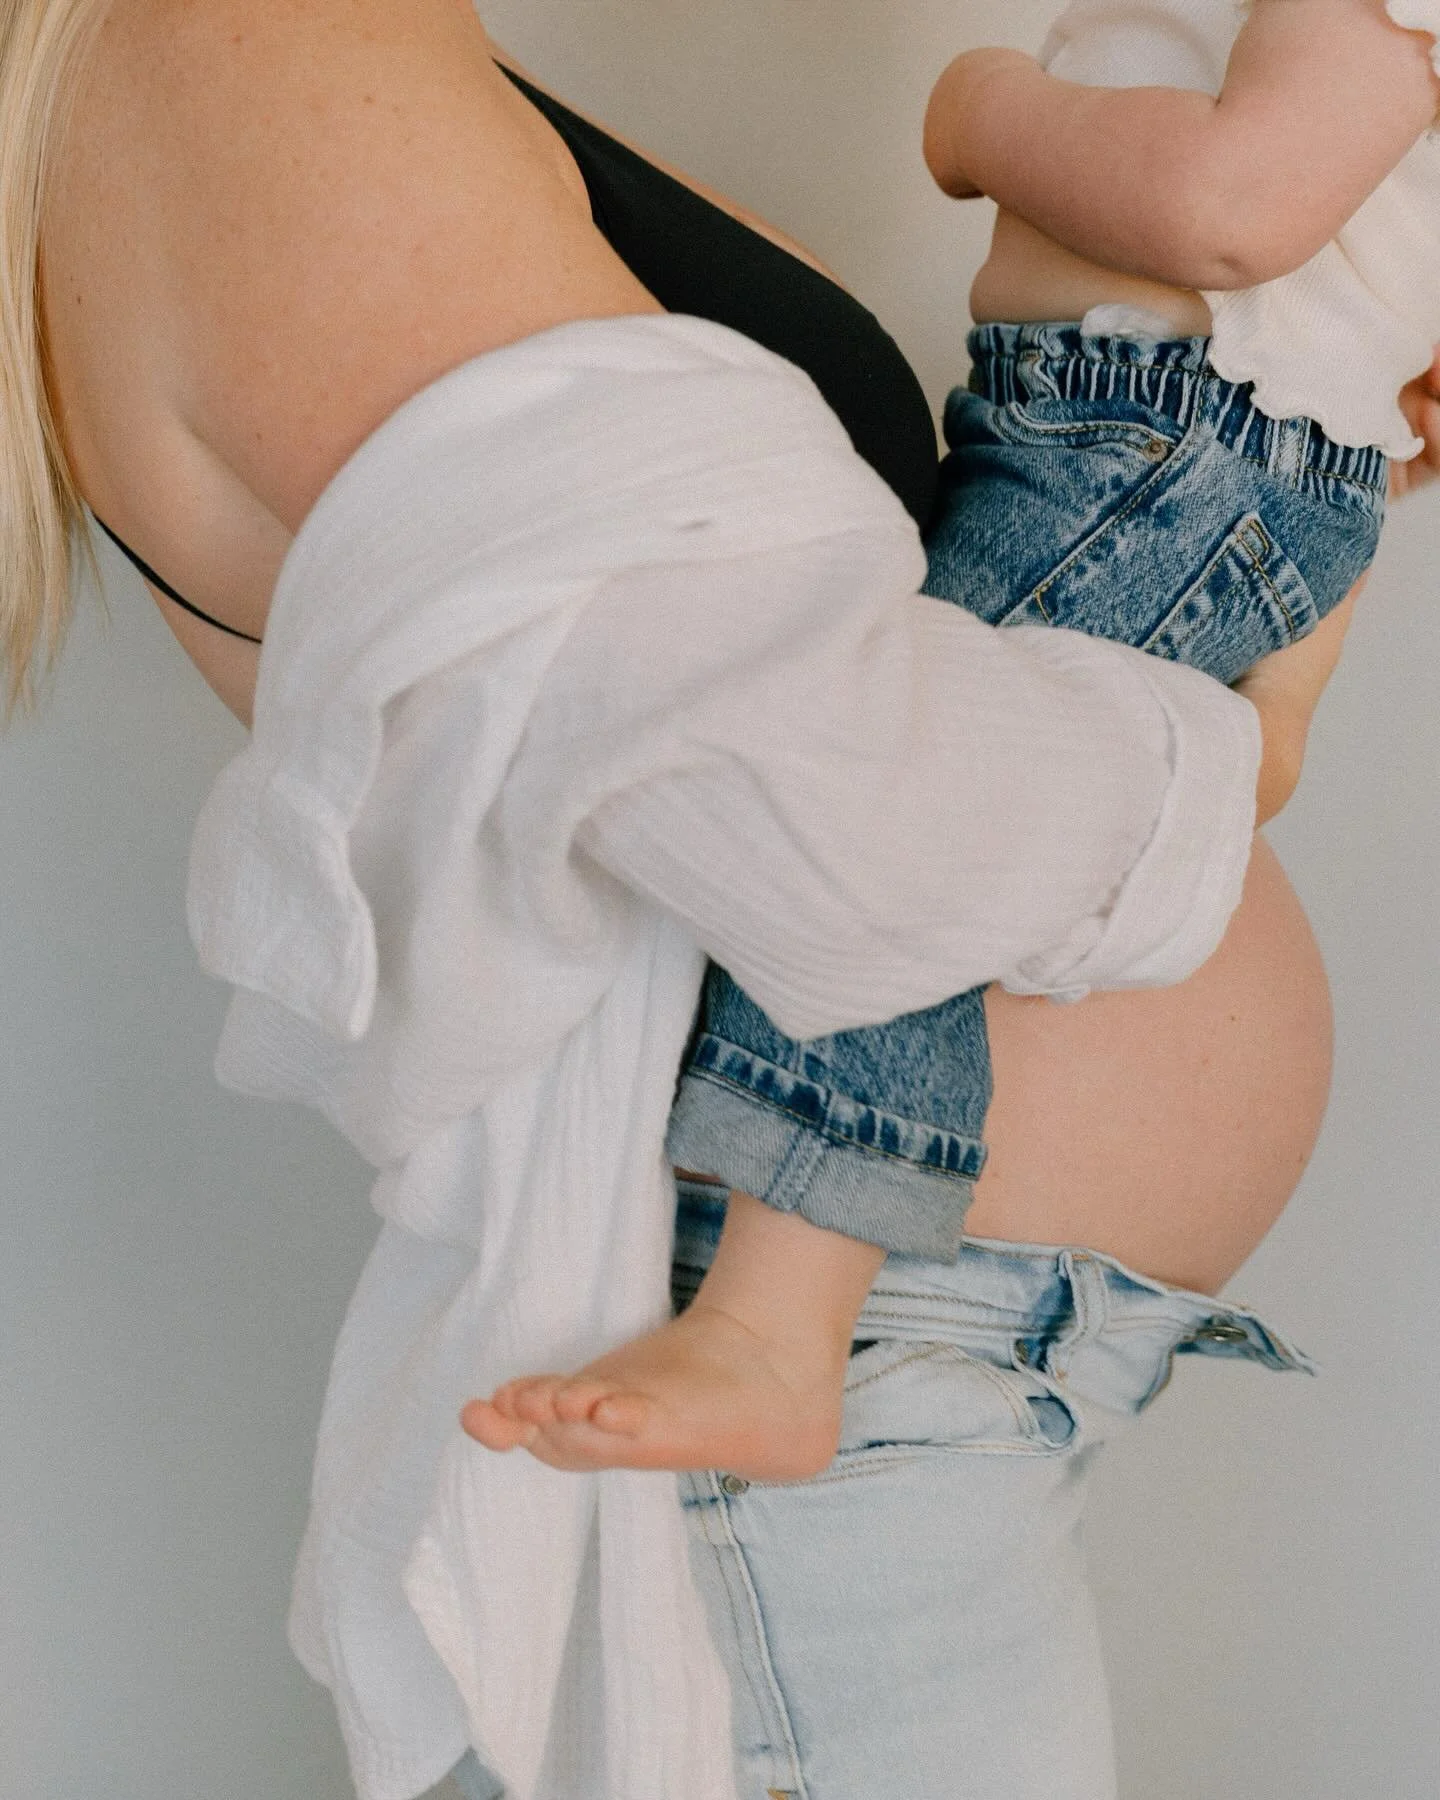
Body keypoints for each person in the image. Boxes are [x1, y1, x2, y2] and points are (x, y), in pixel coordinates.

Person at [15, 3, 1436, 1797]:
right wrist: (1237, 757)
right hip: (820, 1404)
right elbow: (838, 824)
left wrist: (1304, 417)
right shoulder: (252, 57)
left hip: (890, 1393)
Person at [457, 0, 1440, 1487]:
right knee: (900, 791)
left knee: (883, 825)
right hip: (1166, 442)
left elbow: (1226, 214)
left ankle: (776, 1337)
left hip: (1157, 439)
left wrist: (983, 114)